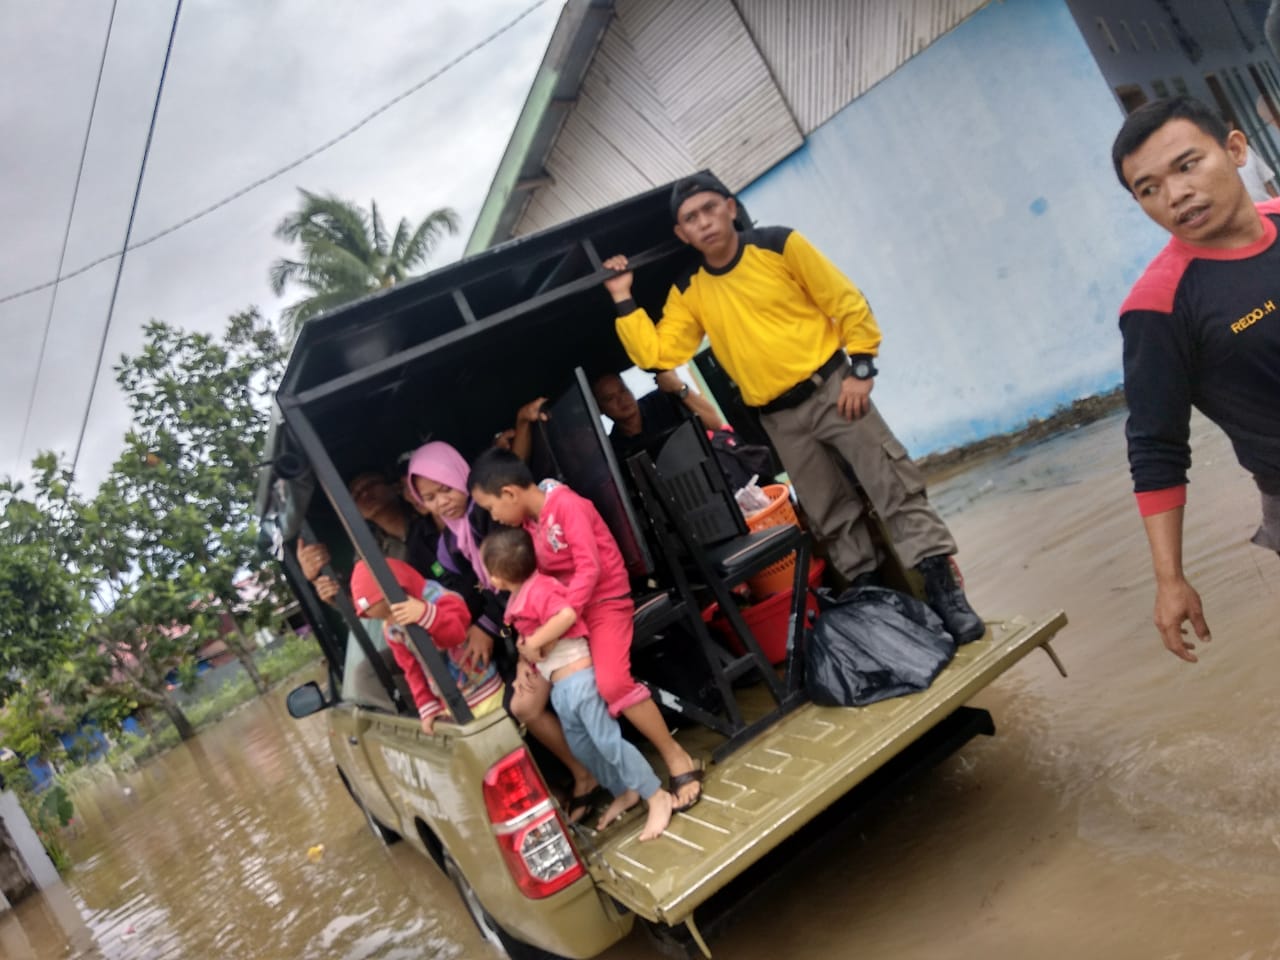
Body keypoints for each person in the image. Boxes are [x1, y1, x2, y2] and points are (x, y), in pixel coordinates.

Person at [601, 172, 983, 644]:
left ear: (730, 207)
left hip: (833, 389)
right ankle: (877, 605)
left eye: (709, 209)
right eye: (690, 219)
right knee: (827, 511)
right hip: (779, 418)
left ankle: (945, 592)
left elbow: (844, 300)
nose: (703, 223)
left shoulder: (778, 245)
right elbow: (657, 354)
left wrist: (861, 368)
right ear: (682, 234)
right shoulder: (691, 288)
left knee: (892, 486)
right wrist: (622, 296)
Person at [1111, 96, 1280, 663]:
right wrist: (1170, 579)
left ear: (1235, 150)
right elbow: (1156, 445)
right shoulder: (1158, 307)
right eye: (1148, 188)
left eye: (1187, 166)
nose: (1175, 194)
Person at [468, 448, 706, 811]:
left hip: (602, 604)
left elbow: (589, 570)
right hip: (564, 617)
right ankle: (609, 781)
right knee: (525, 702)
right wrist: (524, 657)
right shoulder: (529, 524)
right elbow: (535, 593)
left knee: (612, 684)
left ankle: (677, 757)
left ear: (509, 493)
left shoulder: (567, 506)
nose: (494, 517)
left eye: (491, 508)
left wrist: (556, 626)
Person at [482, 526, 674, 840]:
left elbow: (566, 615)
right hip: (560, 686)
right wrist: (526, 662)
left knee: (608, 742)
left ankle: (656, 794)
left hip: (579, 678)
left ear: (498, 575)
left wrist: (533, 644)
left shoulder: (541, 588)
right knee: (583, 747)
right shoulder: (519, 598)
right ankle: (624, 789)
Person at [349, 557, 504, 733]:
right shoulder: (392, 630)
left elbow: (457, 632)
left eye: (390, 611)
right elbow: (411, 669)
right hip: (451, 706)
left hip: (485, 690)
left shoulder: (438, 597)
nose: (391, 620)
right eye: (382, 618)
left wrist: (425, 615)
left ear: (402, 588)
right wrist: (427, 707)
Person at [591, 370, 724, 462]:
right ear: (599, 409)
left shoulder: (662, 400)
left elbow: (715, 424)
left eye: (623, 390)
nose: (622, 399)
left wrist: (679, 388)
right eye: (610, 398)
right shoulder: (613, 449)